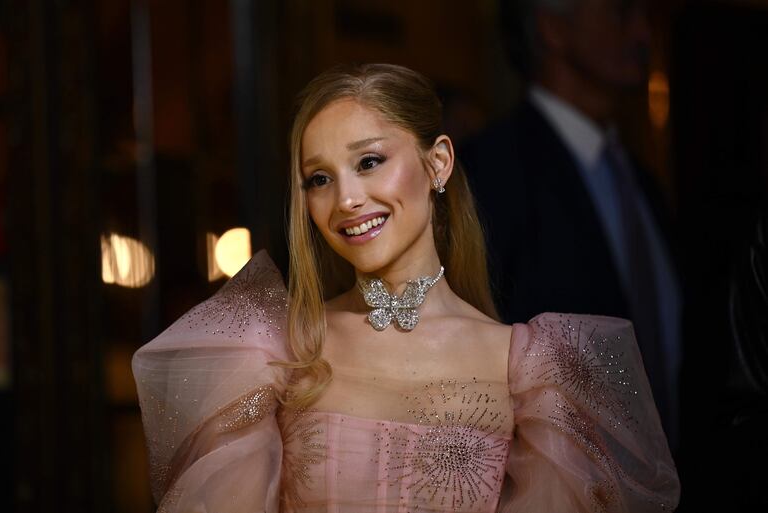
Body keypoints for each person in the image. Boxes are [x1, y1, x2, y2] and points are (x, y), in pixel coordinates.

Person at [132, 63, 679, 512]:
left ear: (437, 162)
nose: (346, 199)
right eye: (319, 179)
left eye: (369, 162)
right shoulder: (273, 351)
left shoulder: (532, 370)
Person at [460, 0, 682, 448]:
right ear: (553, 29)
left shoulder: (643, 183)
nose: (643, 36)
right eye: (621, 13)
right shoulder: (490, 174)